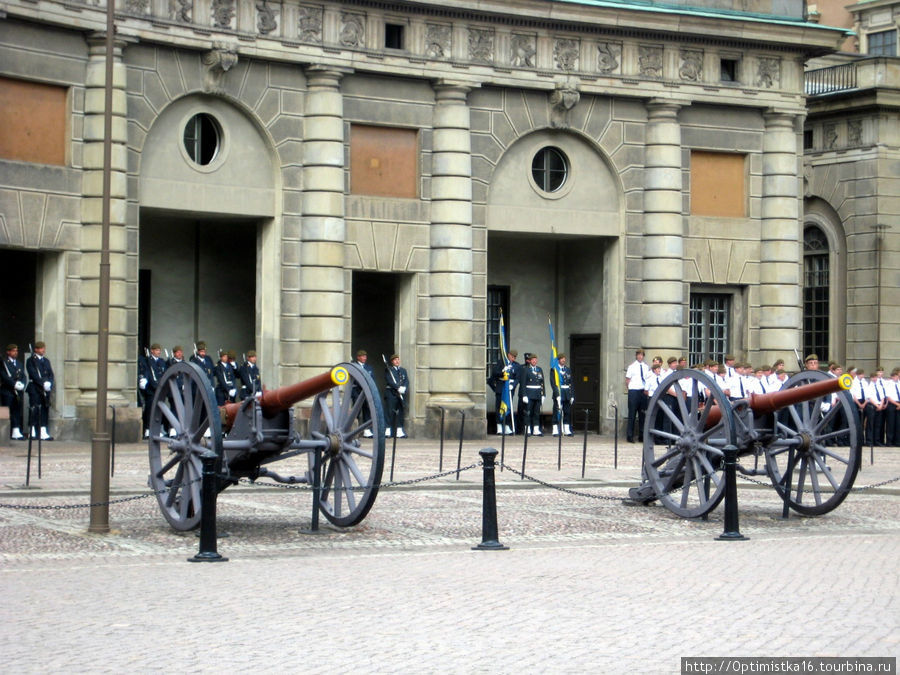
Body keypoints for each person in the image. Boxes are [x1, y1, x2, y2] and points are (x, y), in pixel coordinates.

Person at [26, 341, 55, 440]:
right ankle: (32, 431)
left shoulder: (46, 361)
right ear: (36, 350)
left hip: (45, 389)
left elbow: (51, 374)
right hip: (35, 388)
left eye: (43, 348)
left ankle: (43, 431)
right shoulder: (31, 361)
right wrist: (42, 383)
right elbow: (33, 374)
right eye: (41, 348)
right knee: (34, 409)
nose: (43, 350)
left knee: (44, 409)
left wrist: (49, 383)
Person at [489, 349, 520, 435]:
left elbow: (517, 378)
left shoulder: (516, 366)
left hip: (509, 389)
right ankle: (499, 426)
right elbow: (494, 373)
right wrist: (502, 371)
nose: (513, 359)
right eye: (512, 356)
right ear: (508, 355)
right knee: (499, 407)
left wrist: (513, 385)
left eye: (514, 357)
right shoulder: (501, 363)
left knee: (508, 407)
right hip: (501, 387)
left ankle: (507, 426)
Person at [138, 343, 167, 437]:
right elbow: (146, 372)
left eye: (159, 350)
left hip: (160, 388)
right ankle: (148, 428)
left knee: (159, 410)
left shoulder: (161, 362)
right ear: (152, 351)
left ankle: (157, 428)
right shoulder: (147, 361)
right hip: (151, 389)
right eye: (157, 350)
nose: (158, 352)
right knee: (150, 410)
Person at [1, 344, 28, 440]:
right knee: (7, 412)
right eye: (13, 351)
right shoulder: (4, 363)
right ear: (8, 352)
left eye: (16, 351)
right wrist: (13, 384)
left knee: (17, 411)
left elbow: (23, 376)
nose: (15, 352)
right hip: (8, 391)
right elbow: (4, 376)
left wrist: (23, 384)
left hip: (17, 392)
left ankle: (16, 431)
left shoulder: (19, 363)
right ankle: (6, 432)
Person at [625, 349, 649, 443]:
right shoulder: (632, 367)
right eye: (638, 355)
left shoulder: (646, 367)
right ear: (636, 356)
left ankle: (641, 435)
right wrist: (631, 388)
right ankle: (629, 435)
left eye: (642, 355)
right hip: (634, 391)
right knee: (632, 414)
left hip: (642, 391)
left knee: (642, 414)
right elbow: (627, 380)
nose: (640, 357)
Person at [383, 354, 409, 438]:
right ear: (392, 362)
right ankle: (387, 430)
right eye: (395, 360)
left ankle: (399, 430)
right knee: (390, 412)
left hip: (400, 394)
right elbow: (389, 380)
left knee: (400, 412)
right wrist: (397, 387)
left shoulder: (403, 370)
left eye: (398, 359)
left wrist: (404, 388)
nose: (397, 361)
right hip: (391, 393)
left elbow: (406, 380)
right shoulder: (389, 370)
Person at [352, 349, 376, 437]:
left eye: (365, 356)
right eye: (362, 356)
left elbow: (372, 379)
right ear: (358, 357)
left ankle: (367, 430)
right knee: (356, 413)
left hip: (366, 393)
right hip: (357, 392)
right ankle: (355, 431)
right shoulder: (354, 366)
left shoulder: (369, 367)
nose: (364, 358)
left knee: (367, 412)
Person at [520, 352, 545, 436]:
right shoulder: (526, 369)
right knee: (528, 412)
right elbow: (523, 383)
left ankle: (536, 429)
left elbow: (542, 383)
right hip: (529, 393)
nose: (534, 361)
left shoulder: (539, 369)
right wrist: (524, 395)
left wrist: (543, 394)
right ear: (530, 361)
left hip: (538, 394)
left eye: (535, 359)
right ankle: (527, 429)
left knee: (536, 412)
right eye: (532, 360)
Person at [551, 353, 574, 436]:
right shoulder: (554, 370)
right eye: (562, 359)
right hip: (559, 393)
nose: (563, 360)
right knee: (557, 412)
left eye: (564, 358)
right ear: (558, 360)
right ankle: (555, 429)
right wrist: (557, 395)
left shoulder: (567, 370)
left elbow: (571, 383)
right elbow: (553, 384)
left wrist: (572, 395)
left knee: (567, 412)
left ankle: (567, 429)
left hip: (567, 393)